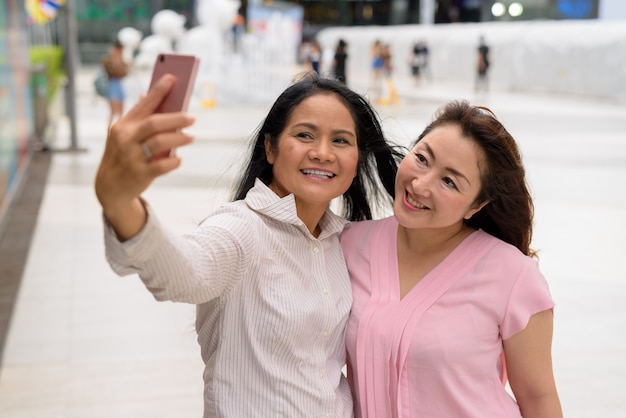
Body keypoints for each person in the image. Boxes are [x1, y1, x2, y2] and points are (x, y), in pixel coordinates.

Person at [94, 73, 403, 417]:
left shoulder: (342, 240)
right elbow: (184, 272)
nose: (322, 153)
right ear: (270, 147)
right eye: (305, 135)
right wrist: (120, 201)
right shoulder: (243, 229)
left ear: (358, 158)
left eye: (341, 141)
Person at [341, 100, 563, 418]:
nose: (420, 184)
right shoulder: (349, 245)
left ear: (475, 206)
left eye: (449, 181)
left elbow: (538, 397)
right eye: (421, 158)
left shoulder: (513, 276)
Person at [101, 38, 130, 126]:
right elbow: (112, 71)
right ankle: (109, 133)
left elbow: (124, 72)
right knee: (113, 112)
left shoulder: (121, 60)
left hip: (118, 84)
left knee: (121, 112)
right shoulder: (109, 60)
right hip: (112, 85)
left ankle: (119, 131)